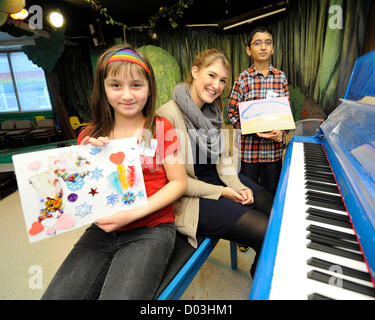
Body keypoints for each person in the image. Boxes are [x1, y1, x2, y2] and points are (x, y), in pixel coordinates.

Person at [41, 44, 186, 300]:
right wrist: (79, 162)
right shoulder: (88, 135)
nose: (127, 95)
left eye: (136, 85)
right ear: (103, 88)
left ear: (149, 87)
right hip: (102, 231)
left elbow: (178, 183)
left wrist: (131, 213)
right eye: (116, 85)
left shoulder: (163, 128)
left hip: (151, 229)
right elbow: (78, 195)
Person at [157, 49, 273, 277]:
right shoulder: (166, 115)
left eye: (222, 80)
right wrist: (224, 192)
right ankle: (261, 275)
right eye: (211, 76)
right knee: (268, 230)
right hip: (191, 195)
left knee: (274, 207)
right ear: (195, 72)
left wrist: (239, 187)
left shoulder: (212, 110)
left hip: (218, 179)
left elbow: (223, 160)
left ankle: (261, 264)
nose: (216, 85)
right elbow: (175, 182)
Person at [227, 26, 290, 195]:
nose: (263, 47)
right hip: (249, 154)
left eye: (268, 43)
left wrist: (281, 132)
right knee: (249, 195)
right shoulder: (242, 80)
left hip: (273, 154)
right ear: (248, 50)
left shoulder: (280, 77)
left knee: (272, 194)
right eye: (257, 43)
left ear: (273, 48)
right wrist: (252, 129)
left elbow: (286, 114)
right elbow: (232, 112)